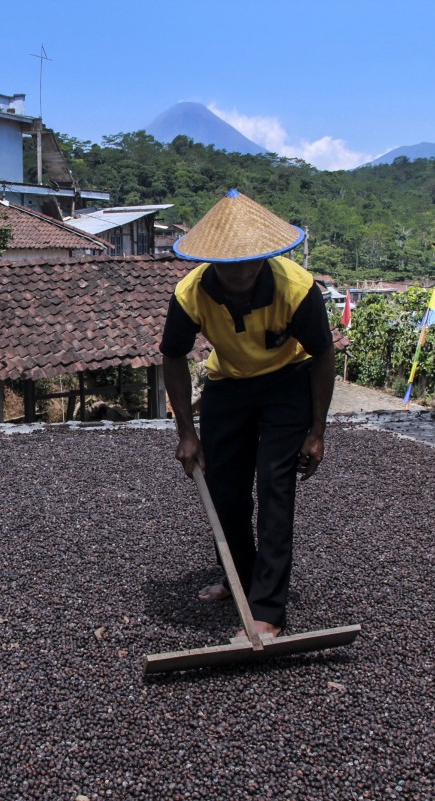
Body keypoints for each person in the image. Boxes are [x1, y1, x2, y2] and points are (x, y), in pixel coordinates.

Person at [159, 189, 335, 638]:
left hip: (286, 384)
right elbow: (174, 359)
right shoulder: (190, 293)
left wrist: (317, 432)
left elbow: (322, 356)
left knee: (276, 488)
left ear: (266, 255)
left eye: (250, 261)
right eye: (229, 263)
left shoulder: (297, 289)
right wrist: (186, 433)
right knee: (226, 491)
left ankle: (268, 609)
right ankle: (239, 576)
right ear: (212, 260)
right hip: (228, 386)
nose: (240, 272)